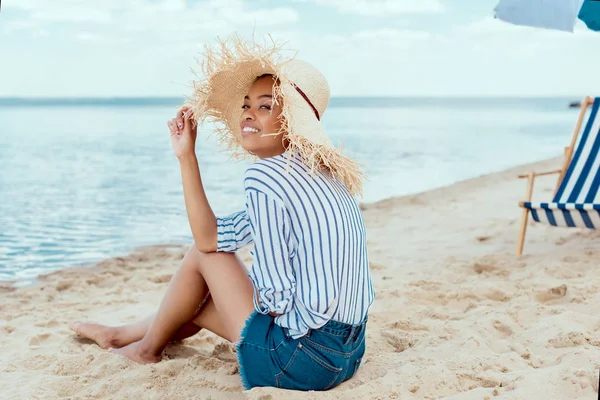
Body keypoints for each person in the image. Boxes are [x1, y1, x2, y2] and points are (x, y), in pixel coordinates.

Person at [69, 35, 375, 391]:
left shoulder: (267, 177)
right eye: (247, 105)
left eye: (265, 106)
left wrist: (221, 293)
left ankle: (146, 349)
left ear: (292, 121)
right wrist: (187, 157)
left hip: (305, 360)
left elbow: (274, 299)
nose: (247, 113)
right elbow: (212, 235)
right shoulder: (318, 174)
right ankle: (124, 335)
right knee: (202, 273)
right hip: (349, 352)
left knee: (202, 272)